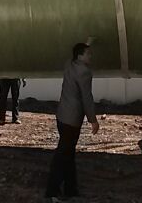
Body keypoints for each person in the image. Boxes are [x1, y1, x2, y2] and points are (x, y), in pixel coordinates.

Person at [45, 40, 99, 200]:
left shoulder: (69, 64)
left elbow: (73, 55)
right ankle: (52, 191)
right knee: (63, 156)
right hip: (72, 120)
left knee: (68, 154)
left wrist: (86, 43)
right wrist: (93, 120)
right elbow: (87, 98)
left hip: (62, 116)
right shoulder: (84, 72)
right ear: (80, 56)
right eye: (88, 53)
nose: (90, 56)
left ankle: (71, 189)